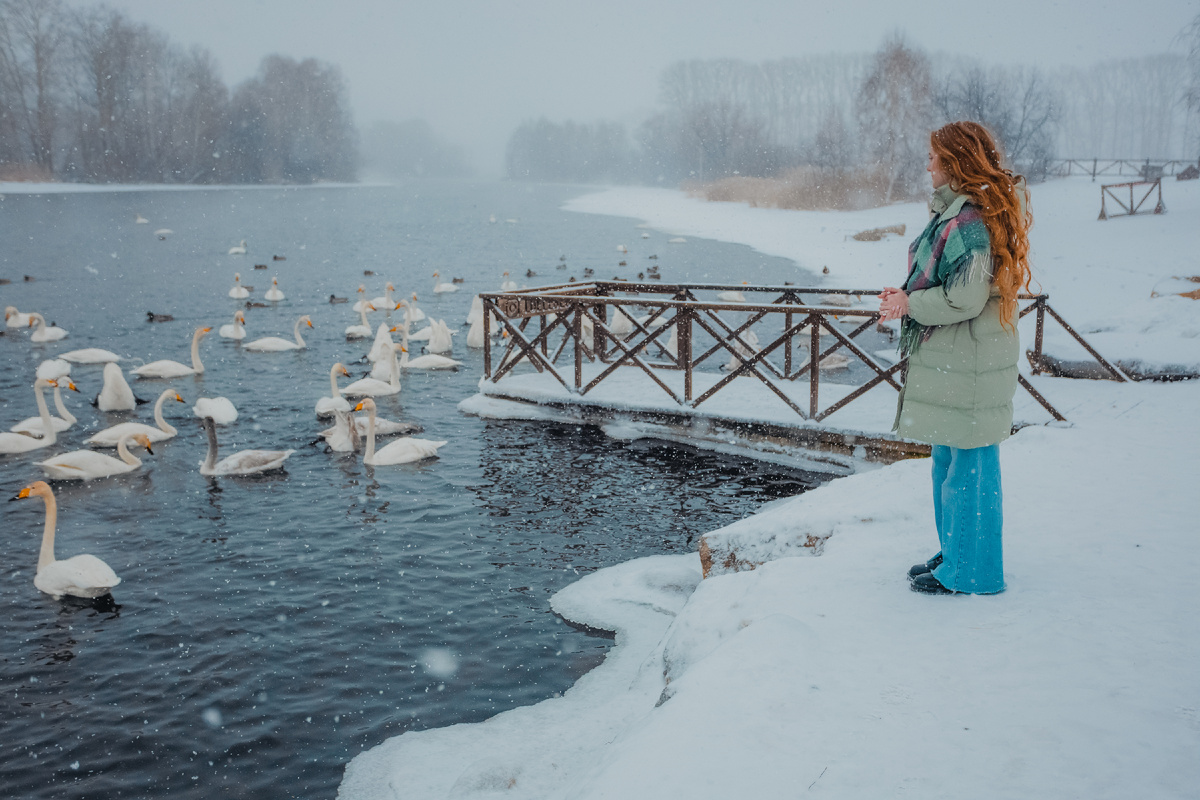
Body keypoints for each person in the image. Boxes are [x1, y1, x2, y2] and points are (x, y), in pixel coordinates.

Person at [878, 121, 1032, 595]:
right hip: (964, 357)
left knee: (969, 473)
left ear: (954, 162)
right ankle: (958, 554)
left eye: (933, 158)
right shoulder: (965, 213)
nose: (927, 166)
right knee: (951, 464)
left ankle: (973, 571)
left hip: (969, 359)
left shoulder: (969, 220)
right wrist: (908, 297)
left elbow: (965, 297)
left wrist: (908, 304)